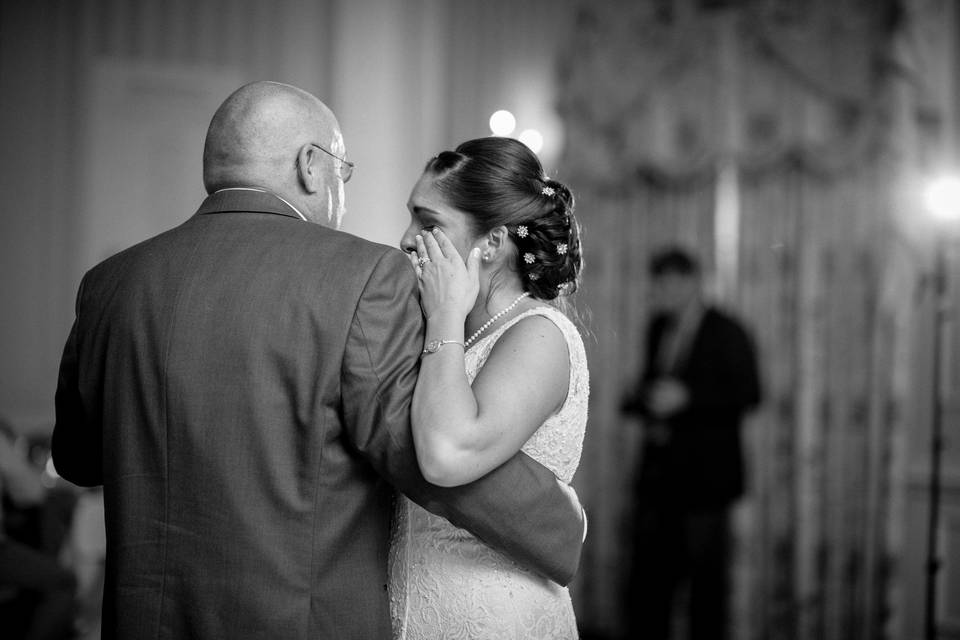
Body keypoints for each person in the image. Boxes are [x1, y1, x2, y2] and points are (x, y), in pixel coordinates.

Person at [51, 81, 586, 640]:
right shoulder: (362, 279)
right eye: (343, 172)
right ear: (311, 166)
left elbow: (77, 457)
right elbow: (413, 447)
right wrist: (557, 523)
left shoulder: (109, 285)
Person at [391, 137, 589, 639]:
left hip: (495, 619)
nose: (407, 239)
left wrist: (442, 316)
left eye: (429, 223)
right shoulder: (450, 329)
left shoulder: (540, 334)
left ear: (495, 243)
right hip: (413, 608)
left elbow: (447, 454)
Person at [621, 247, 761, 640]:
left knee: (705, 589)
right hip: (659, 479)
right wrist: (640, 399)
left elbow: (750, 393)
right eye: (657, 283)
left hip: (706, 483)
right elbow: (653, 385)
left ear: (691, 282)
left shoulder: (727, 330)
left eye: (666, 283)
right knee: (652, 585)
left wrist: (689, 399)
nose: (659, 291)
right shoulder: (657, 327)